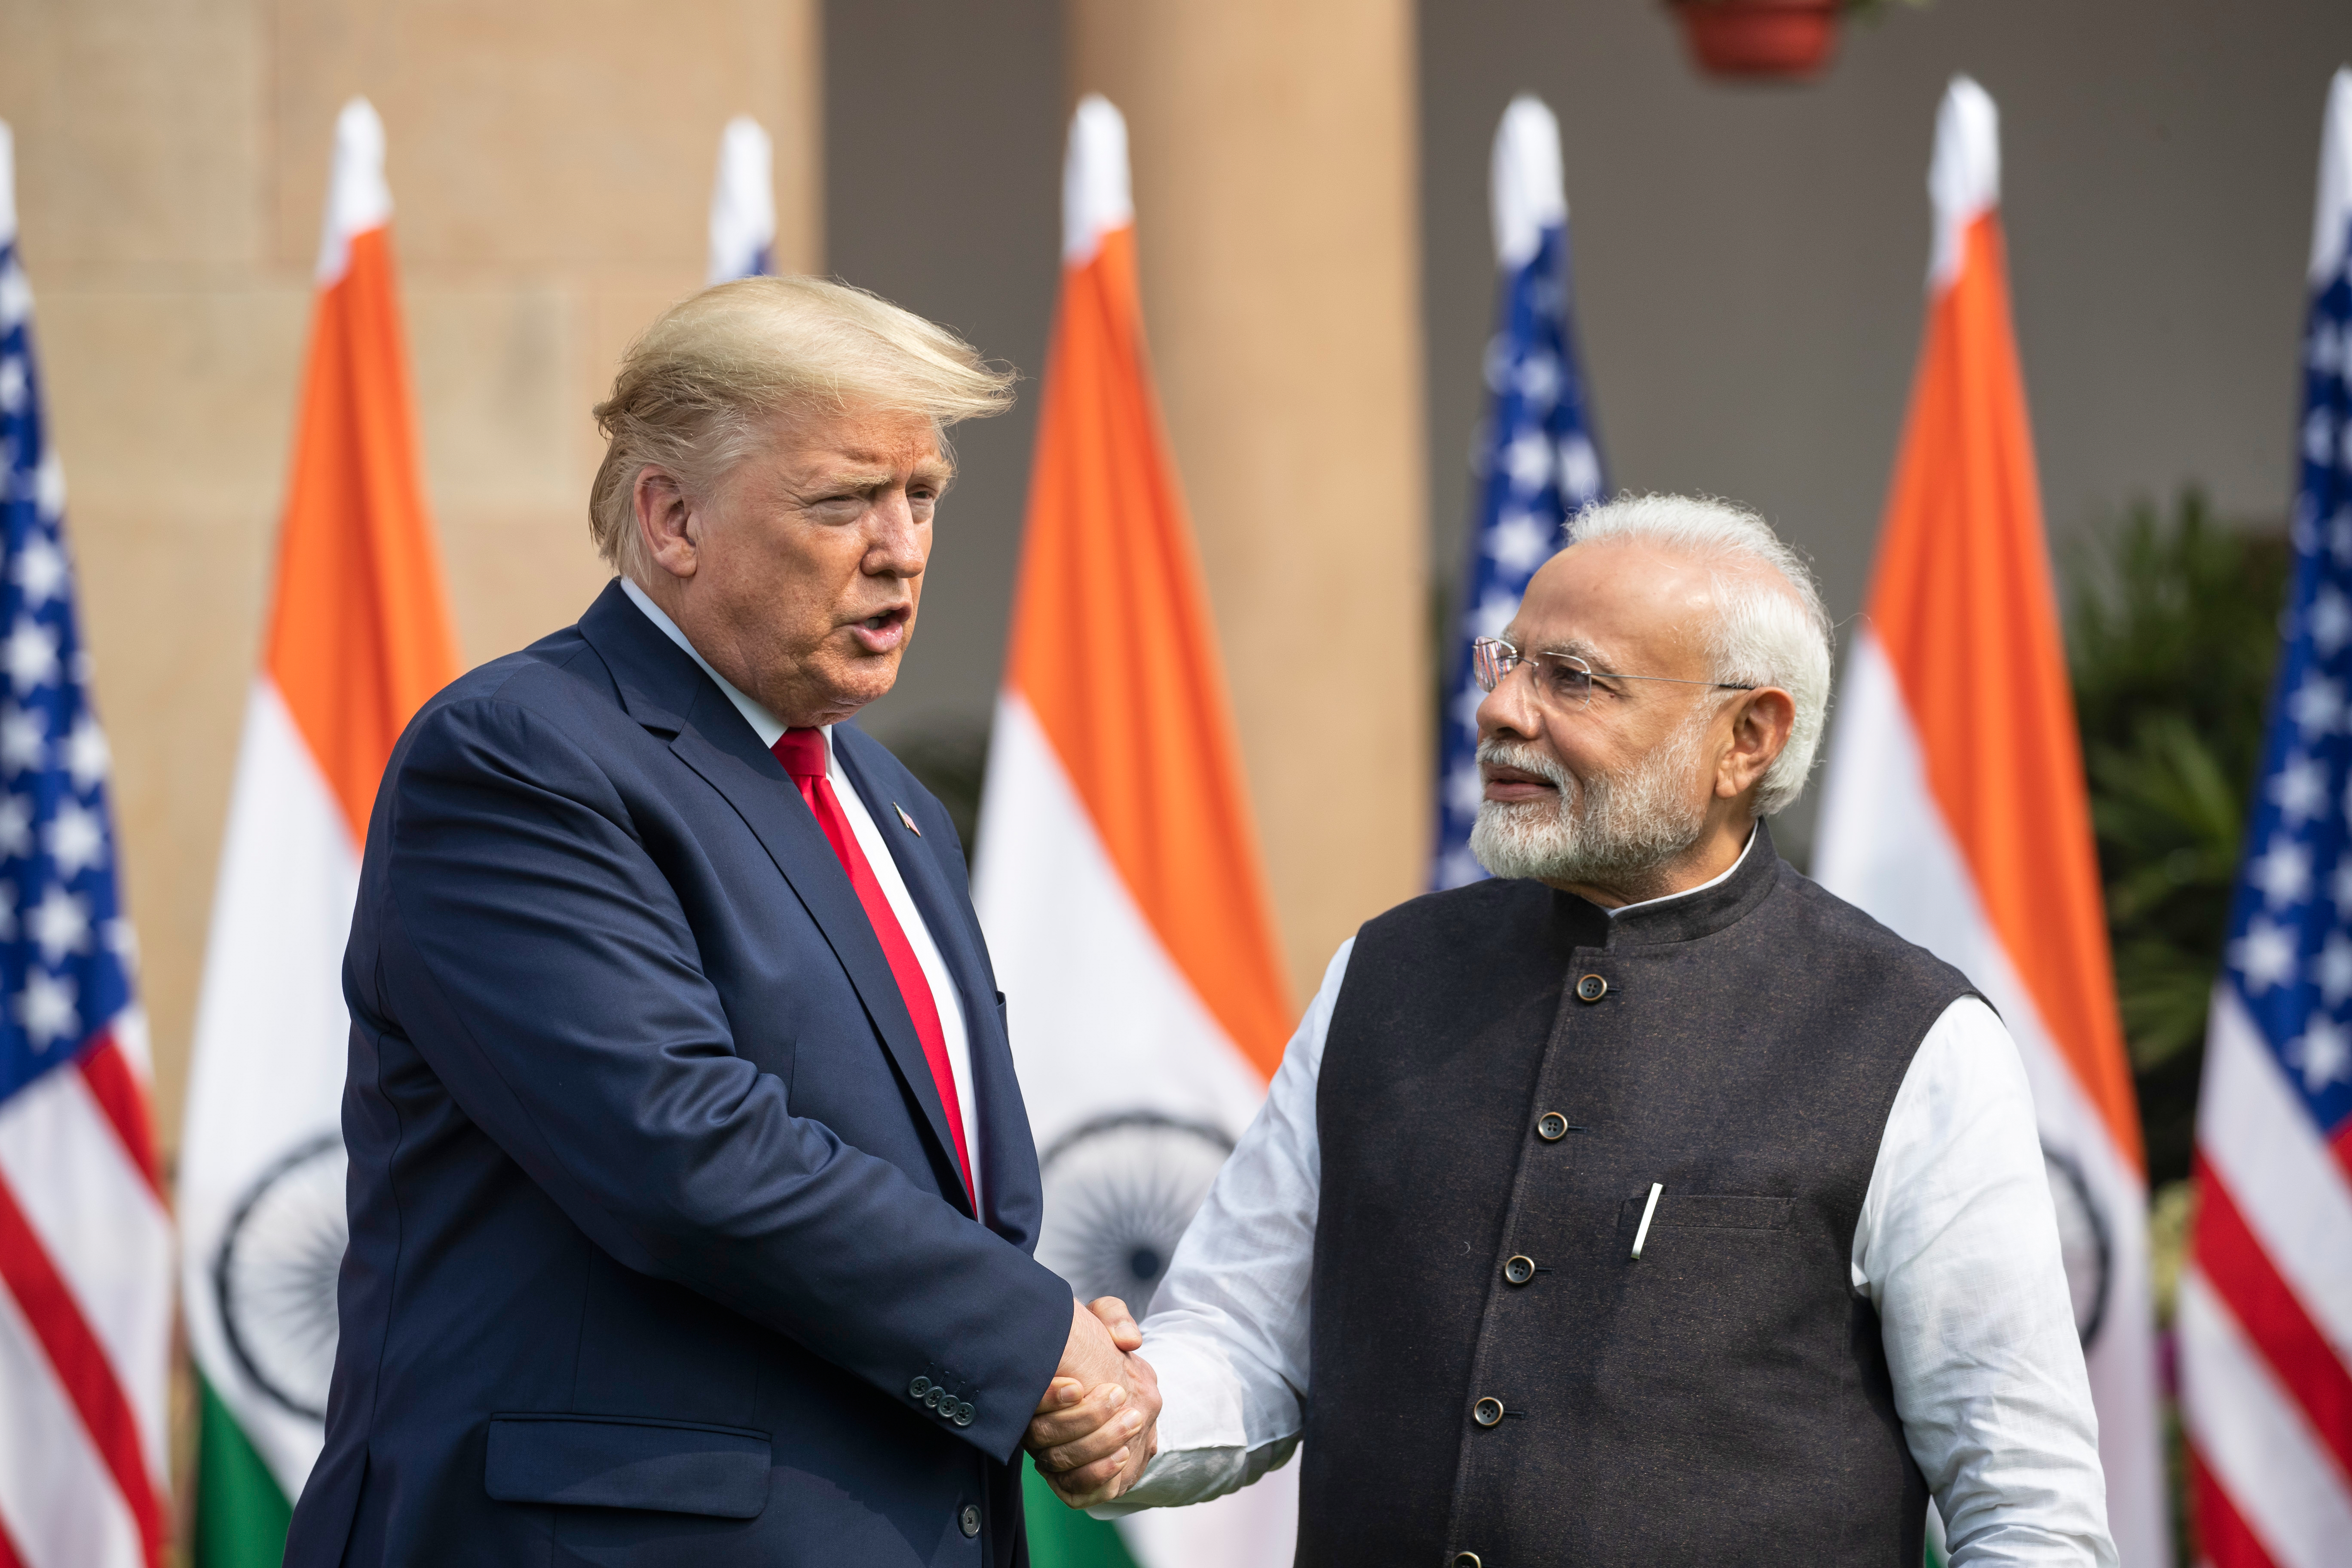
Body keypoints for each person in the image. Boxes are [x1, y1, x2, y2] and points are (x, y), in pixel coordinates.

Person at [1028, 493, 2118, 1567]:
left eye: (1574, 680)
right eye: (1505, 662)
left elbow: (2026, 1508)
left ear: (1748, 737)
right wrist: (1134, 1416)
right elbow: (1243, 1336)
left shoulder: (1912, 1037)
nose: (1502, 710)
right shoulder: (1386, 974)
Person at [284, 277, 1157, 1568]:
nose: (902, 546)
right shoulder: (519, 756)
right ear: (673, 517)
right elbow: (682, 1152)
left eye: (922, 496)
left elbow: (936, 1190)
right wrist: (1031, 1342)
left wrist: (1050, 1343)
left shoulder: (889, 800)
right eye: (843, 500)